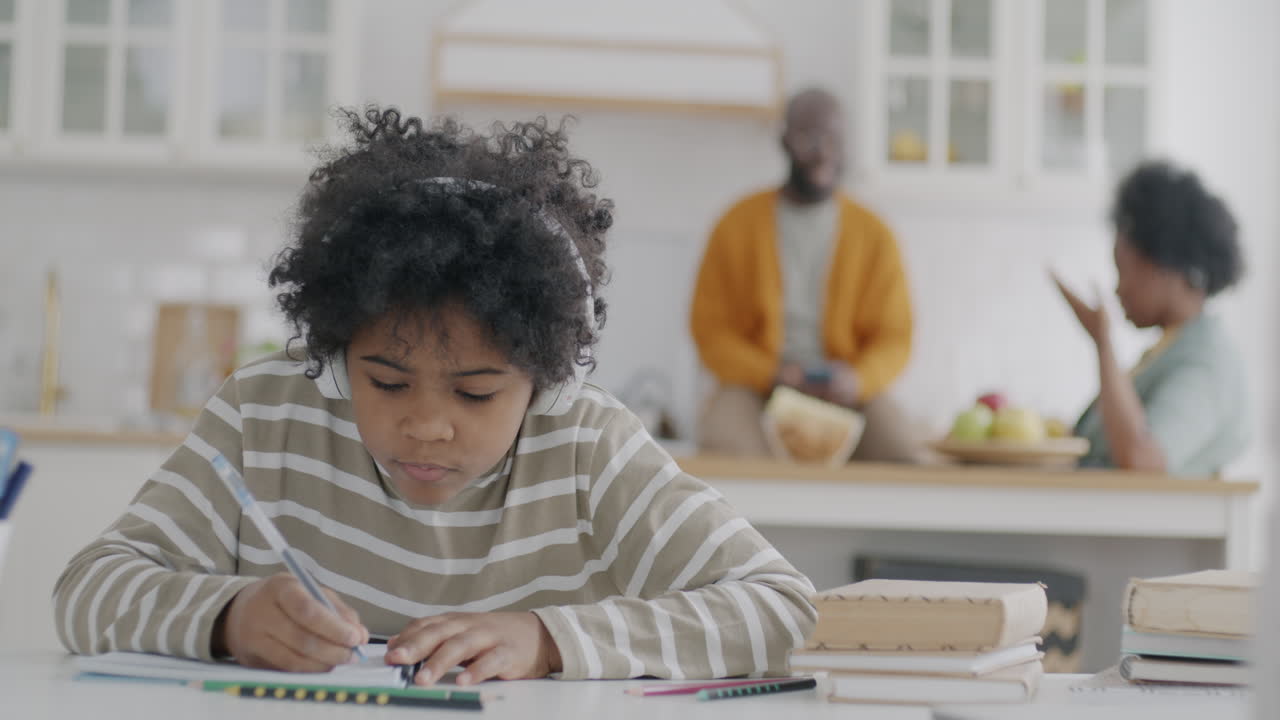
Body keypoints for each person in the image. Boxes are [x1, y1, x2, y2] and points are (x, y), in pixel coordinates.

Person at [53, 108, 816, 684]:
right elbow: (87, 591)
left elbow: (786, 608)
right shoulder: (264, 415)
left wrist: (547, 638)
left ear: (546, 382)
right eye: (384, 380)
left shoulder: (584, 443)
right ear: (331, 355)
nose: (425, 427)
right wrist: (227, 618)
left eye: (477, 393)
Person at [690, 88, 918, 462]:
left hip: (847, 390)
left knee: (903, 450)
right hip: (756, 388)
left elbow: (896, 336)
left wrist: (857, 379)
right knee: (724, 440)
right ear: (784, 141)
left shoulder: (875, 234)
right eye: (808, 137)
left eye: (833, 139)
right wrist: (770, 373)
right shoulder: (735, 224)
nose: (822, 151)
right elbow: (709, 330)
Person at [1053, 160, 1248, 475]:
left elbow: (1141, 459)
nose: (1118, 290)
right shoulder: (1175, 347)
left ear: (1166, 268)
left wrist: (1104, 344)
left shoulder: (1207, 362)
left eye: (1124, 272)